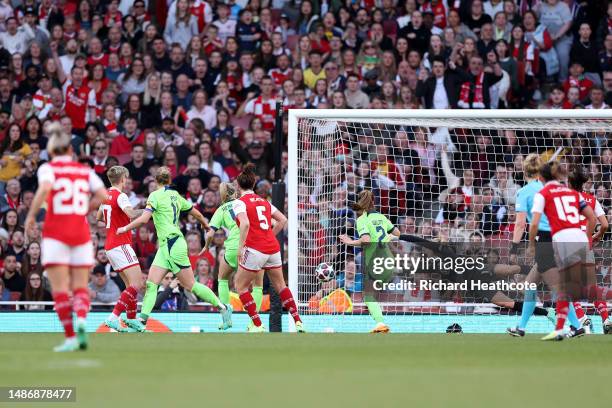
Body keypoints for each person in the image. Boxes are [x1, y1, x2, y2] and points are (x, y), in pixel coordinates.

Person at [116, 166, 232, 330]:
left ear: (156, 180)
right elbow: (196, 213)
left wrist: (125, 229)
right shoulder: (176, 196)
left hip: (172, 244)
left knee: (191, 284)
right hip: (166, 246)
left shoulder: (154, 196)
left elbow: (144, 219)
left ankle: (223, 307)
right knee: (151, 284)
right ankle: (141, 321)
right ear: (169, 181)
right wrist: (206, 226)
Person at [25, 123, 107, 352]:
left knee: (60, 288)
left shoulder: (48, 168)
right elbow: (103, 195)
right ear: (71, 151)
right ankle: (81, 318)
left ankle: (71, 336)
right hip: (80, 232)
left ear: (51, 151)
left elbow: (45, 188)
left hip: (55, 232)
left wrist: (31, 215)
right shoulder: (85, 171)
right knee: (81, 286)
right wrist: (84, 208)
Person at [507, 154, 583, 337]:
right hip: (562, 238)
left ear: (524, 170)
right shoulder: (552, 187)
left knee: (556, 288)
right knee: (531, 284)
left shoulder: (525, 191)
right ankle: (521, 327)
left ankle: (576, 326)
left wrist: (514, 248)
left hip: (546, 240)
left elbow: (520, 224)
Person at [231, 163, 304, 333]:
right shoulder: (264, 202)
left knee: (240, 286)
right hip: (273, 248)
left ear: (239, 186)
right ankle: (298, 321)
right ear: (253, 185)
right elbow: (283, 220)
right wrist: (271, 234)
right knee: (281, 286)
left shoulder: (239, 203)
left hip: (255, 249)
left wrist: (241, 247)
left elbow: (245, 224)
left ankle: (257, 325)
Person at [530, 161, 596, 341]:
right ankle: (567, 327)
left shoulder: (543, 193)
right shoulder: (572, 193)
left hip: (562, 239)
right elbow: (593, 218)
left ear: (541, 178)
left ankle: (568, 327)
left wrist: (530, 245)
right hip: (579, 238)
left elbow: (534, 223)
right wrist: (587, 240)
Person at [204, 182, 264, 330]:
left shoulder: (220, 210)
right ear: (235, 193)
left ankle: (226, 319)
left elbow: (210, 233)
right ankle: (254, 323)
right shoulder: (244, 203)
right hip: (252, 246)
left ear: (222, 195)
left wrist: (206, 246)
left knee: (222, 279)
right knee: (257, 286)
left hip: (232, 249)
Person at [339, 189, 400, 333]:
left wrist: (350, 242)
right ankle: (379, 323)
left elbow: (366, 240)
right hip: (389, 261)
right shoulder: (381, 217)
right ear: (373, 202)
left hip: (375, 261)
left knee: (368, 296)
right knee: (372, 295)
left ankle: (380, 323)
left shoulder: (362, 220)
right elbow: (397, 234)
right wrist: (387, 237)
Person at [97, 166, 145, 332]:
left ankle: (131, 319)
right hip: (121, 244)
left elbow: (98, 217)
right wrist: (148, 210)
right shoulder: (121, 196)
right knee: (137, 283)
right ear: (123, 178)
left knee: (130, 285)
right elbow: (131, 214)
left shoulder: (105, 195)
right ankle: (114, 316)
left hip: (110, 246)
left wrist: (115, 222)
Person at [566, 166, 611, 334]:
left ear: (569, 183)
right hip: (586, 247)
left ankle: (582, 318)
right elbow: (605, 224)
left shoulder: (564, 200)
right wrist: (596, 235)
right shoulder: (591, 199)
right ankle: (606, 319)